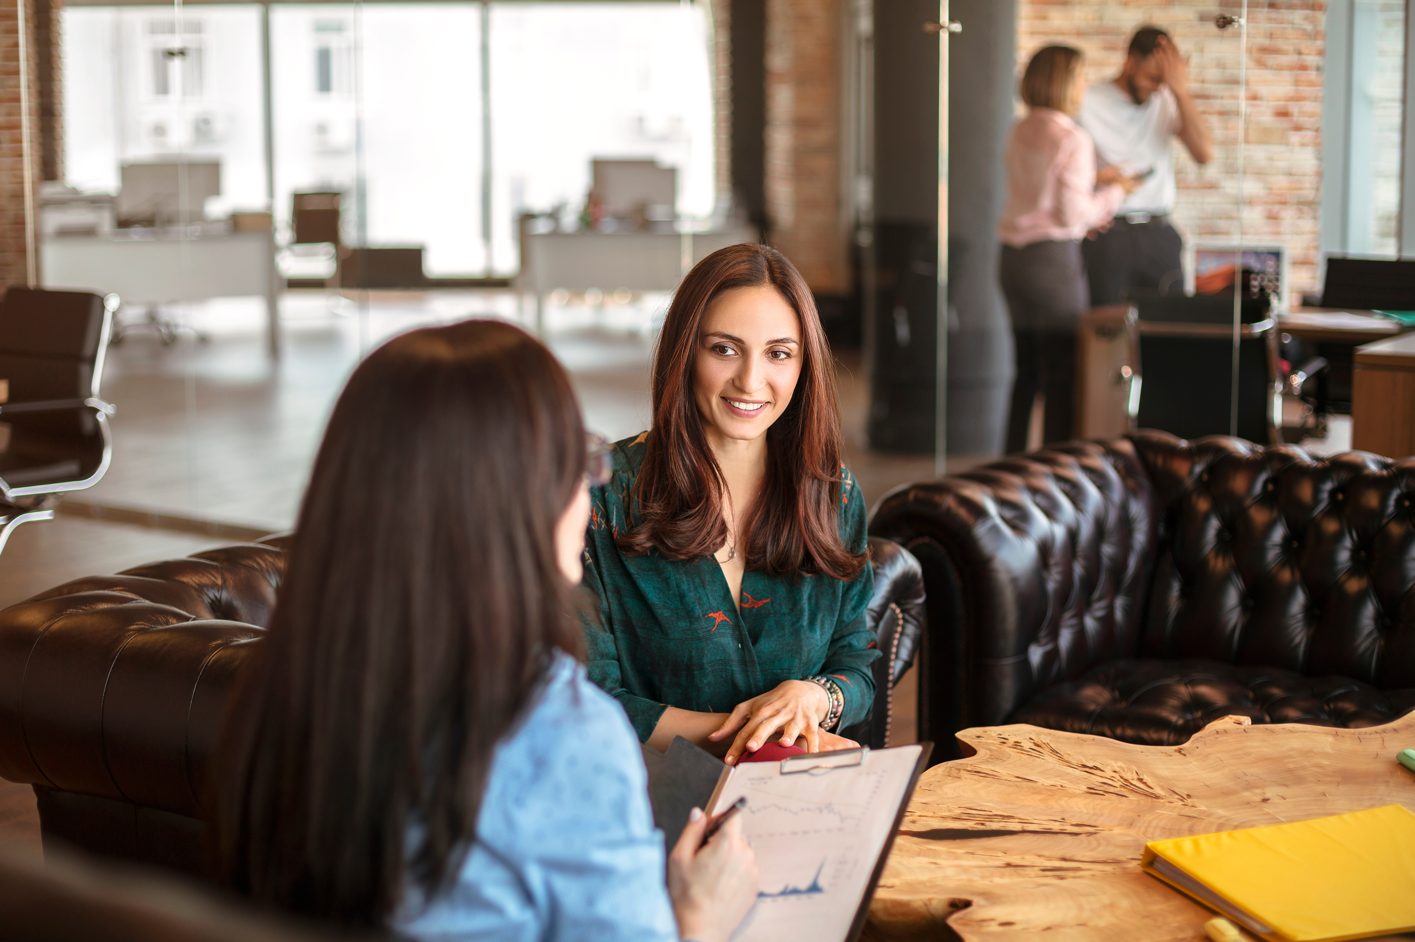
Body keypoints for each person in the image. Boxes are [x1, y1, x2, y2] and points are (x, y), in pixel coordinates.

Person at [214, 320, 759, 942]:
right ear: (513, 500)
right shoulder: (558, 729)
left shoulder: (276, 685)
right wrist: (700, 921)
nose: (590, 489)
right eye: (577, 461)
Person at [582, 243, 877, 767]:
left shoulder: (834, 494)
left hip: (799, 799)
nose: (750, 380)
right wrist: (764, 740)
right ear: (684, 352)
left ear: (803, 367)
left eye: (778, 354)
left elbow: (856, 665)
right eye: (724, 349)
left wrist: (813, 696)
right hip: (649, 802)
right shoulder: (602, 495)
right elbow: (589, 695)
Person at [999, 45, 1136, 453]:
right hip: (1051, 264)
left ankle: (1010, 467)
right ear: (1063, 82)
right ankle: (1053, 473)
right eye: (1079, 76)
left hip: (1011, 260)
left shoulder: (1019, 129)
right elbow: (1071, 214)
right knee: (1062, 374)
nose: (1083, 85)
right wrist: (1114, 192)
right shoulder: (1073, 137)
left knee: (1024, 372)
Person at [1079, 25, 1214, 305]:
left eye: (1163, 81)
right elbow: (1065, 168)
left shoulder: (1167, 97)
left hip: (1159, 231)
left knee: (1168, 332)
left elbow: (1204, 154)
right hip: (1109, 235)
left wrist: (1180, 91)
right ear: (1130, 62)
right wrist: (1096, 181)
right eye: (1151, 77)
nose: (1156, 87)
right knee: (1106, 335)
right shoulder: (1087, 100)